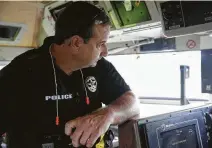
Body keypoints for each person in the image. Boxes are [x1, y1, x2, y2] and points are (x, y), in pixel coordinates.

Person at [0, 1, 140, 148]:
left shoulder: (99, 67)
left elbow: (132, 104)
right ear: (76, 43)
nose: (105, 52)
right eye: (100, 44)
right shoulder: (20, 73)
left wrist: (109, 114)